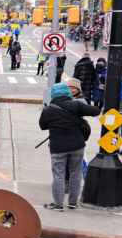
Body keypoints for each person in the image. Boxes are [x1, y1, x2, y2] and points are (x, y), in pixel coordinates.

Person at [38, 82, 101, 211]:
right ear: (67, 92)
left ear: (53, 94)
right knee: (76, 174)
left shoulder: (48, 110)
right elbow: (96, 111)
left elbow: (43, 126)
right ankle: (73, 202)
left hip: (58, 147)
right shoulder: (76, 105)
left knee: (58, 175)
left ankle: (58, 204)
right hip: (77, 145)